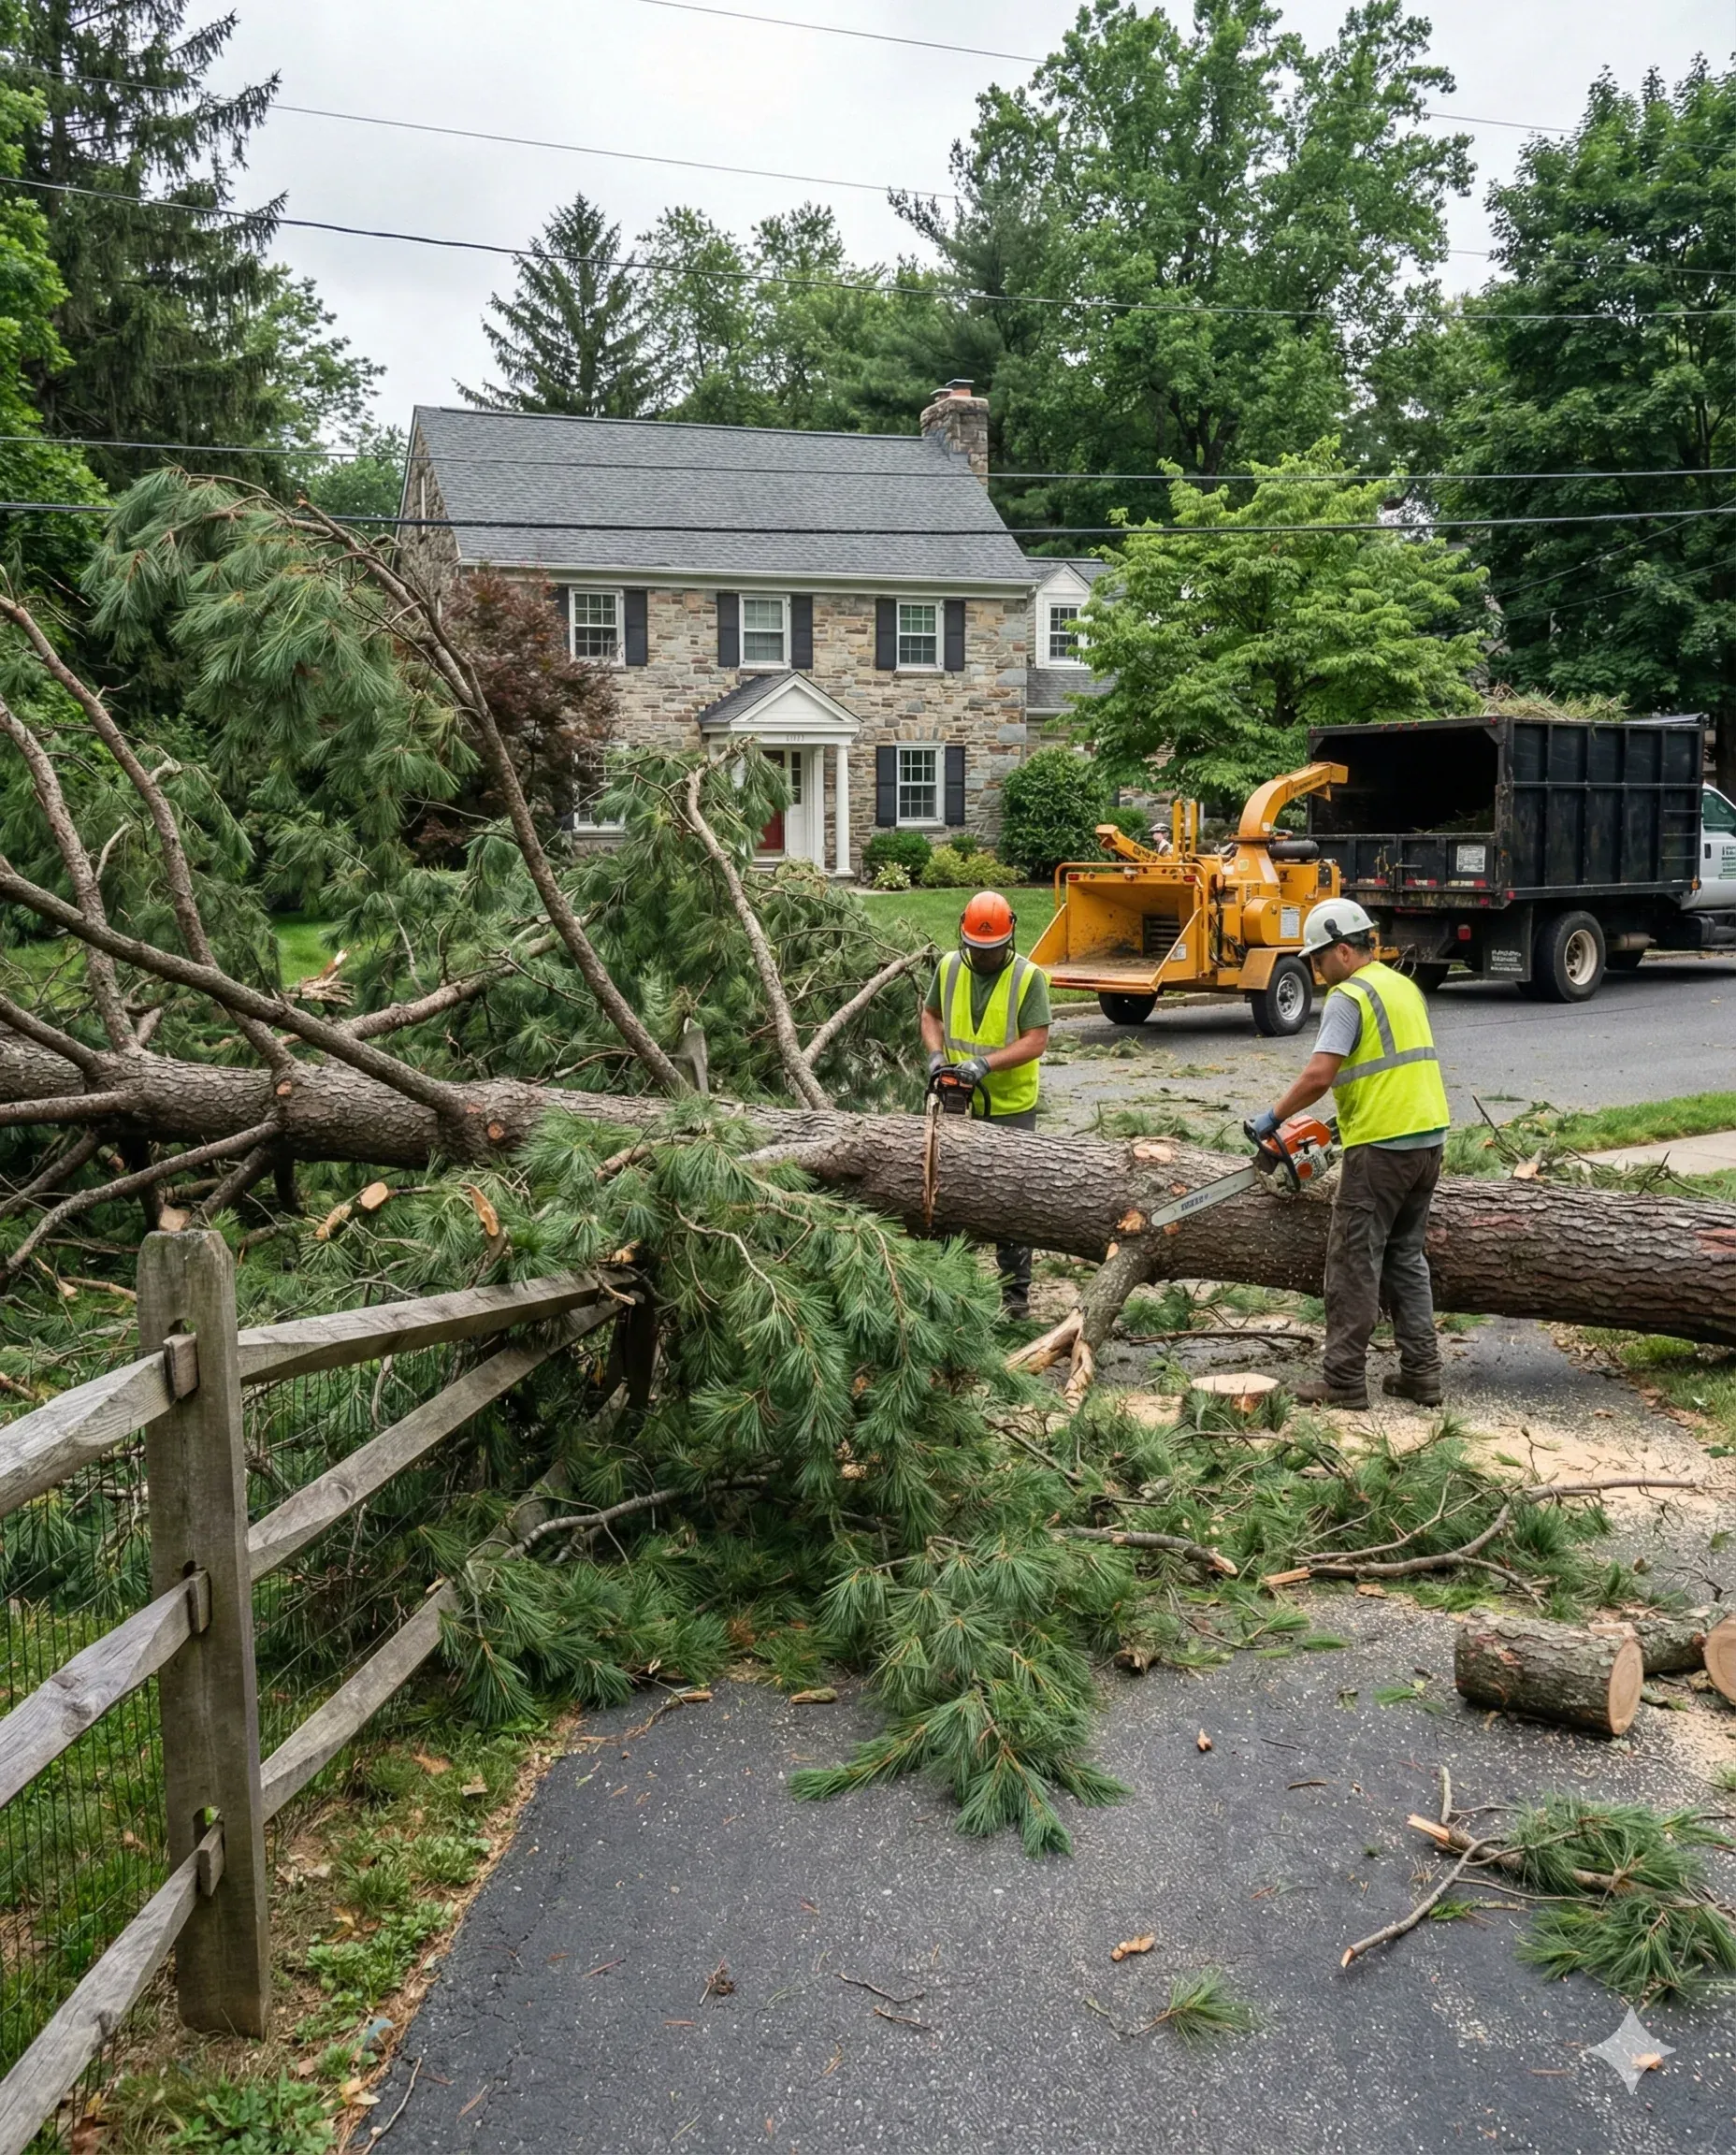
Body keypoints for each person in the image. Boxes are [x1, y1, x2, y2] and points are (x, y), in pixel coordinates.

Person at [1249, 900, 1451, 1410]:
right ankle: (1422, 1375)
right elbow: (1390, 1069)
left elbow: (1320, 1074)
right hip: (1427, 1137)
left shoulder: (1349, 995)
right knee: (1405, 1258)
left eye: (1318, 959)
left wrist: (1272, 1118)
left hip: (1381, 1149)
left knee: (1352, 1262)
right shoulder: (1403, 985)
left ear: (1343, 949)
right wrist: (1341, 1124)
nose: (1316, 970)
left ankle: (1342, 1381)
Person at [920, 889, 1051, 1320]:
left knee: (1012, 1202)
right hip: (958, 1099)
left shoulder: (1028, 978)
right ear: (964, 937)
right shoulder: (949, 967)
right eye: (978, 948)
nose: (985, 957)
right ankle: (949, 1289)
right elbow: (931, 1015)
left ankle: (1015, 1299)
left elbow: (1036, 1040)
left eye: (992, 950)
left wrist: (984, 1064)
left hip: (1012, 1103)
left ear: (1008, 938)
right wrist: (937, 1057)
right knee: (950, 1194)